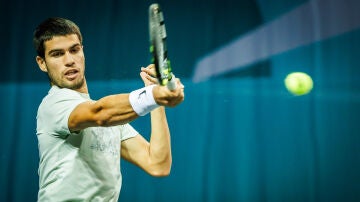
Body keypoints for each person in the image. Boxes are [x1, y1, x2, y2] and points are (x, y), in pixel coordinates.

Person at [33, 17, 184, 201]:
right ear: (42, 63)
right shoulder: (54, 104)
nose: (69, 60)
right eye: (57, 54)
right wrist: (153, 94)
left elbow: (157, 164)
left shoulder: (112, 119)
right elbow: (100, 113)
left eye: (74, 50)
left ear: (83, 51)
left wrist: (157, 99)